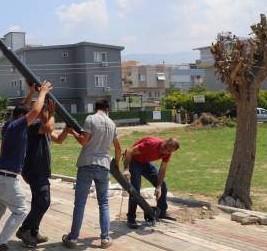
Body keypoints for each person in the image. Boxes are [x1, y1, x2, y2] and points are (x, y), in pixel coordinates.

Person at [0, 81, 53, 251]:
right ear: (21, 118)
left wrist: (31, 92)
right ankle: (0, 244)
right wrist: (42, 92)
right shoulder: (17, 126)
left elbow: (23, 108)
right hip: (6, 178)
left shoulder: (10, 124)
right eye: (27, 118)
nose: (30, 120)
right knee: (21, 210)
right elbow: (35, 111)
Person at [62, 99, 121, 249]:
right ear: (107, 109)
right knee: (104, 204)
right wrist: (117, 163)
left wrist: (72, 132)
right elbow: (118, 147)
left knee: (80, 203)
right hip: (104, 166)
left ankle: (73, 238)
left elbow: (83, 142)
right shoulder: (112, 123)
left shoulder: (91, 118)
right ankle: (105, 239)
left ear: (95, 108)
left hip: (87, 164)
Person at [15, 84, 68, 247]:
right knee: (44, 202)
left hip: (39, 170)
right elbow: (49, 126)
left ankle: (33, 232)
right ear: (41, 113)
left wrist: (68, 129)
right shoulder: (34, 126)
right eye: (45, 111)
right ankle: (24, 230)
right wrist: (52, 114)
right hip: (35, 170)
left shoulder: (42, 129)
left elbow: (58, 138)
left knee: (38, 202)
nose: (46, 114)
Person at [122, 136, 180, 229]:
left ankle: (161, 212)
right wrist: (126, 169)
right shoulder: (151, 144)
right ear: (164, 141)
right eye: (164, 147)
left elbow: (163, 168)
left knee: (163, 185)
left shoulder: (168, 153)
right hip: (135, 161)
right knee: (135, 190)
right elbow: (129, 151)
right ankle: (131, 218)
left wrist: (159, 186)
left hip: (145, 163)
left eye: (168, 151)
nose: (165, 151)